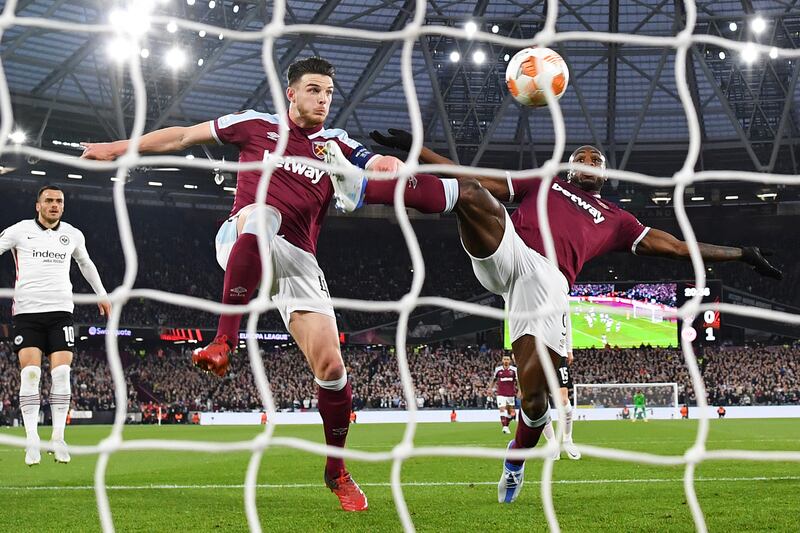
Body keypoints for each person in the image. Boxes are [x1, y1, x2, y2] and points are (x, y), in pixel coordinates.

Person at [328, 128, 782, 504]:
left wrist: (742, 254)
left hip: (548, 284)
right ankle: (364, 186)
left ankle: (516, 461)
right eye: (581, 155)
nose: (589, 161)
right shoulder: (545, 182)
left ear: (604, 173)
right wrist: (417, 149)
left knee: (535, 402)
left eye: (596, 158)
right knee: (468, 193)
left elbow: (680, 250)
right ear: (570, 166)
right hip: (510, 251)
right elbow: (472, 175)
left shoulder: (619, 220)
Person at [80, 56, 402, 512]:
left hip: (299, 262)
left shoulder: (336, 143)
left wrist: (386, 160)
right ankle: (223, 341)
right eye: (313, 90)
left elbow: (371, 162)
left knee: (331, 370)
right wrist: (117, 148)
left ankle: (337, 470)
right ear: (291, 93)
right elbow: (182, 136)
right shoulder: (254, 126)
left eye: (329, 93)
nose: (323, 100)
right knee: (261, 215)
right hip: (243, 234)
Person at [0, 185, 111, 466]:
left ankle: (58, 438)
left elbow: (86, 263)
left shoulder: (72, 234)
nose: (54, 205)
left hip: (61, 312)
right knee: (31, 376)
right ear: (38, 205)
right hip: (27, 314)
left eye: (59, 201)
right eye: (48, 200)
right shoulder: (19, 230)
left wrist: (102, 294)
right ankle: (32, 439)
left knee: (62, 374)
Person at [488, 354, 518, 434]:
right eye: (504, 359)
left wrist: (520, 391)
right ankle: (504, 427)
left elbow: (518, 382)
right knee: (502, 409)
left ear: (510, 361)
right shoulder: (498, 369)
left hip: (511, 394)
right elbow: (494, 380)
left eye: (507, 359)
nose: (506, 361)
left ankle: (507, 425)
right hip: (501, 393)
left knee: (510, 413)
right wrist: (490, 389)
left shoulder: (514, 370)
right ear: (502, 360)